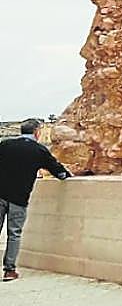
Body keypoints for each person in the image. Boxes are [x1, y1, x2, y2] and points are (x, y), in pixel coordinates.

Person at [0, 118, 72, 281]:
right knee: (14, 234)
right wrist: (66, 175)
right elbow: (58, 171)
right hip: (19, 197)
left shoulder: (5, 145)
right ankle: (9, 270)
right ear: (37, 132)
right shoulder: (38, 150)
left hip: (0, 194)